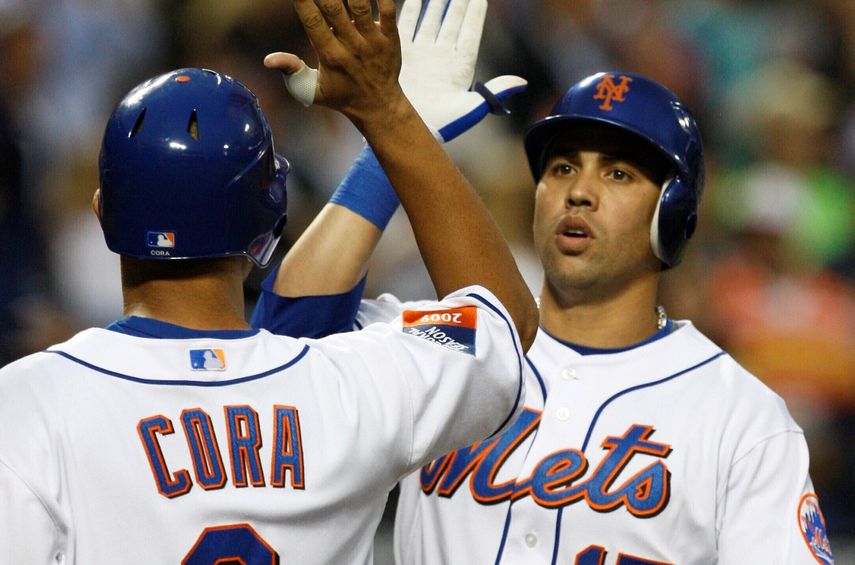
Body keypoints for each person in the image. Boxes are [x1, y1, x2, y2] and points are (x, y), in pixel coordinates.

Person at [0, 0, 540, 562]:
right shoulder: (351, 388)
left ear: (102, 211)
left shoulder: (26, 404)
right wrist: (392, 120)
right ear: (268, 221)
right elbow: (504, 319)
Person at [254, 55, 836, 565]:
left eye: (618, 173)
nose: (579, 191)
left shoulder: (742, 418)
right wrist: (388, 150)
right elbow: (286, 342)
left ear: (673, 214)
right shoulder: (442, 342)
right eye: (562, 168)